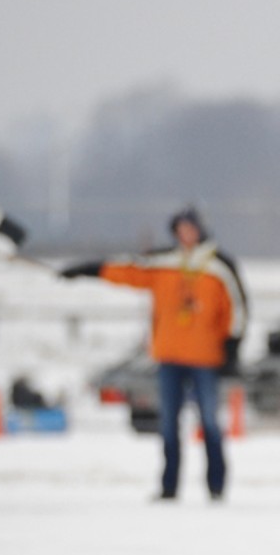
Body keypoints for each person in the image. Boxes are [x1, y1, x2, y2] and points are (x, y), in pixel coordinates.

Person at [62, 206, 248, 501]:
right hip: (169, 356)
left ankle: (216, 486)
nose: (186, 234)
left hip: (206, 358)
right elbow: (128, 270)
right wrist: (89, 270)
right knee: (168, 425)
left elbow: (237, 310)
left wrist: (231, 349)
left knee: (210, 424)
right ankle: (169, 487)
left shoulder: (218, 266)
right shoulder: (164, 261)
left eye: (191, 228)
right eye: (181, 229)